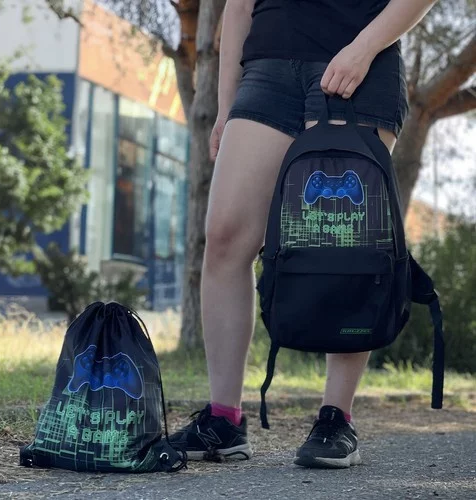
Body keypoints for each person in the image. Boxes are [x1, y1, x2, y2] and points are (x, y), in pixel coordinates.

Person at [170, 0, 437, 468]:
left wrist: (364, 48)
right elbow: (238, 5)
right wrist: (226, 105)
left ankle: (336, 418)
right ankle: (223, 420)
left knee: (345, 243)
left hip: (358, 61)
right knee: (226, 236)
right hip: (266, 70)